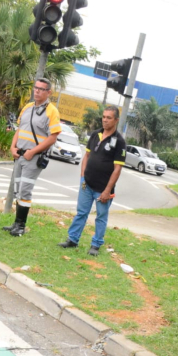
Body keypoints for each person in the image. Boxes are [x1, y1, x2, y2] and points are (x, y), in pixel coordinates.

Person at [57, 106, 125, 256]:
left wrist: (107, 190)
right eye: (104, 117)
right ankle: (72, 239)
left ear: (116, 120)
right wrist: (83, 177)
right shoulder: (95, 134)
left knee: (101, 217)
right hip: (86, 184)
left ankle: (95, 245)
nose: (105, 120)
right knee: (81, 213)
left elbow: (117, 169)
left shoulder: (119, 142)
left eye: (109, 117)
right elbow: (86, 157)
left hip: (103, 189)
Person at [2, 78, 62, 237]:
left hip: (33, 157)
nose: (37, 91)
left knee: (25, 190)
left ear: (49, 92)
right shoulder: (27, 107)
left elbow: (52, 137)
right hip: (19, 155)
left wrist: (33, 151)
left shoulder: (52, 111)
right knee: (17, 189)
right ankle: (15, 223)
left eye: (42, 89)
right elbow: (19, 129)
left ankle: (21, 225)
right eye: (36, 88)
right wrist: (12, 147)